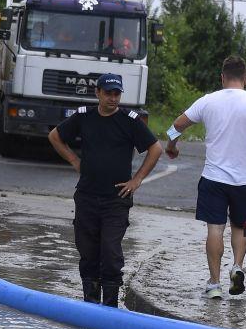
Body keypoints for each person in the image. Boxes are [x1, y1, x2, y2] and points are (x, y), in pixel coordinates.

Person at [165, 56, 246, 299]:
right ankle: (237, 267)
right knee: (241, 227)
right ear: (245, 79)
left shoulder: (208, 101)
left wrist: (172, 145)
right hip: (245, 181)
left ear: (222, 77)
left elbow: (177, 125)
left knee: (215, 230)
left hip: (214, 179)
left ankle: (214, 284)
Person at [48, 73, 163, 307]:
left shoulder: (129, 120)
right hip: (87, 196)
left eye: (116, 94)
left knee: (110, 254)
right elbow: (55, 137)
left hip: (116, 200)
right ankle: (90, 304)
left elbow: (155, 149)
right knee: (88, 254)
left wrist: (137, 180)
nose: (113, 98)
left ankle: (110, 307)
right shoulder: (84, 117)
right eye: (108, 93)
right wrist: (74, 160)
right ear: (97, 93)